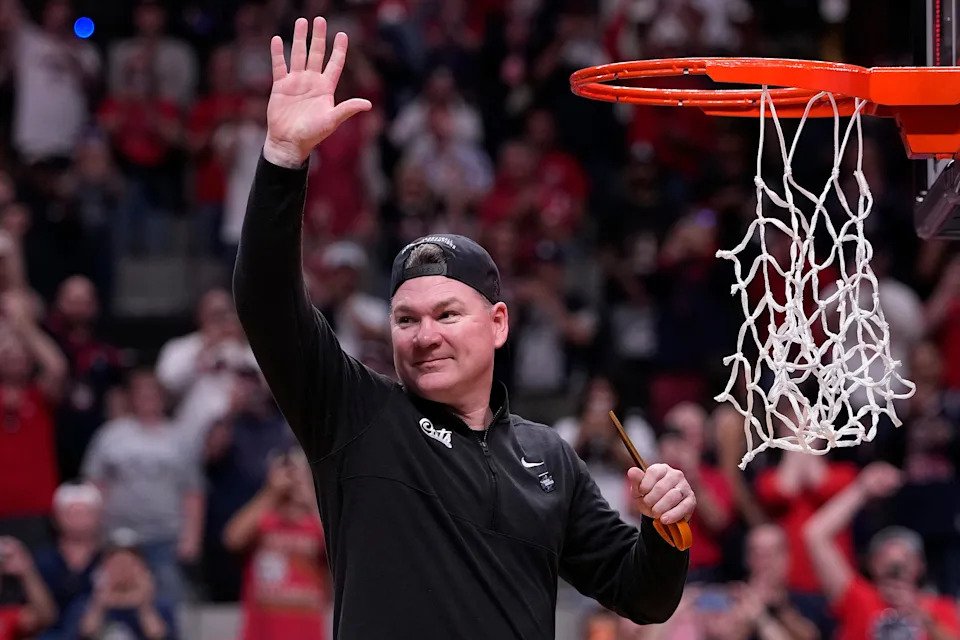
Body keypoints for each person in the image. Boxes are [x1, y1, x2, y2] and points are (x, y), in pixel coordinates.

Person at [233, 16, 695, 639]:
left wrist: (665, 528)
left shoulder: (549, 458)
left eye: (447, 314)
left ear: (498, 323)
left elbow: (642, 596)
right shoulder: (355, 415)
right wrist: (284, 160)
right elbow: (266, 301)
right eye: (406, 319)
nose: (424, 335)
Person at [803, 462, 960, 640]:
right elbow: (816, 535)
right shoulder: (857, 598)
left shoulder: (940, 608)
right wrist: (862, 489)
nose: (895, 564)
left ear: (920, 565)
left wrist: (921, 615)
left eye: (906, 557)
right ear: (872, 564)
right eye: (885, 556)